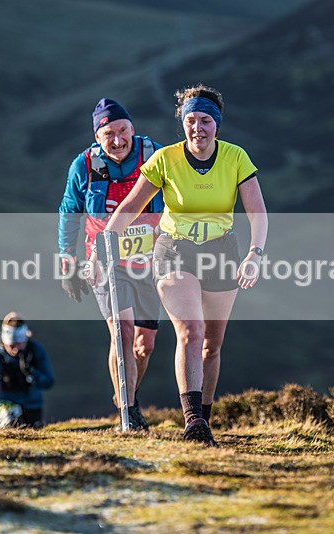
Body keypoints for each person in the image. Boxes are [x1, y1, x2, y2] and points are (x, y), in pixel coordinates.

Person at [90, 84, 268, 446]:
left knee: (211, 346)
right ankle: (192, 423)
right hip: (174, 249)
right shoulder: (165, 160)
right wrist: (99, 248)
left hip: (222, 250)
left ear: (217, 124)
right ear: (182, 124)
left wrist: (255, 255)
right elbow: (129, 207)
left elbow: (257, 213)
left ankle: (204, 418)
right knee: (191, 329)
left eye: (204, 120)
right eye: (190, 121)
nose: (197, 128)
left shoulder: (236, 158)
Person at [58, 98, 165, 430]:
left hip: (150, 260)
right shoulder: (84, 166)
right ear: (97, 136)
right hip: (103, 260)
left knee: (143, 346)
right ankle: (128, 412)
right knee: (121, 331)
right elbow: (69, 212)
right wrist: (68, 258)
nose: (118, 140)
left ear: (132, 128)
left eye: (122, 131)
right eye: (109, 134)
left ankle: (127, 394)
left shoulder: (154, 156)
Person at [0, 312, 55, 428]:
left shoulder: (35, 351)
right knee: (11, 426)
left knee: (34, 436)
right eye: (12, 345)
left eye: (19, 344)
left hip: (33, 406)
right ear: (4, 342)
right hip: (6, 404)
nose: (15, 350)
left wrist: (31, 373)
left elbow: (48, 382)